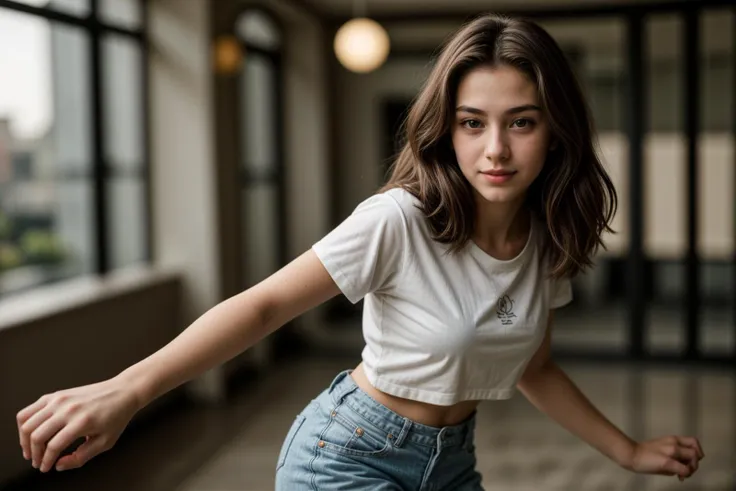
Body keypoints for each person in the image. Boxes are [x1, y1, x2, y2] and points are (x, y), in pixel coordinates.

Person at [16, 13, 703, 490]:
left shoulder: (545, 241)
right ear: (448, 129)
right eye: (472, 123)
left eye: (520, 123)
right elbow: (263, 306)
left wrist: (630, 449)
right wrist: (127, 390)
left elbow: (536, 364)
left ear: (556, 133)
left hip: (452, 462)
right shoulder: (400, 219)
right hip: (347, 456)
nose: (495, 149)